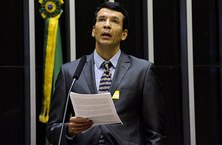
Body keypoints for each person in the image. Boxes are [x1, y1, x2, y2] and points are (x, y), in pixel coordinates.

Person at [46, 1, 166, 145]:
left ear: (124, 34)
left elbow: (155, 133)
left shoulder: (142, 71)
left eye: (114, 21)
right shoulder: (70, 72)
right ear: (93, 30)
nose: (107, 25)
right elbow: (53, 130)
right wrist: (69, 130)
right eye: (102, 19)